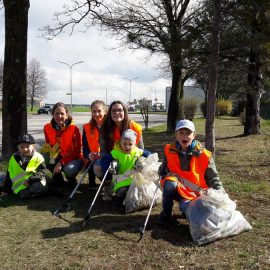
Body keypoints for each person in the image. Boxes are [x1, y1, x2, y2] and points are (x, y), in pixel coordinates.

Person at [158, 119, 224, 224]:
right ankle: (166, 212)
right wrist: (165, 171)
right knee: (169, 182)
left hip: (195, 192)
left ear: (194, 135)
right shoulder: (168, 149)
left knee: (187, 207)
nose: (185, 136)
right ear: (176, 135)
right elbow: (162, 168)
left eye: (188, 133)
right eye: (181, 133)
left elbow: (213, 178)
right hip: (177, 188)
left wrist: (222, 195)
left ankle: (187, 210)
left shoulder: (205, 155)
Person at [99, 129, 150, 211]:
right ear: (120, 143)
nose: (127, 146)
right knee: (121, 190)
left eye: (130, 144)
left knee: (140, 189)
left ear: (134, 144)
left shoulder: (137, 152)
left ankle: (136, 202)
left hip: (134, 177)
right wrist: (110, 166)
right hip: (121, 178)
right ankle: (118, 204)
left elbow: (149, 155)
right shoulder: (116, 153)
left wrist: (143, 160)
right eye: (124, 144)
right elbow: (105, 160)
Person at [3, 134, 59, 199]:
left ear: (33, 147)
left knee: (38, 186)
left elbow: (43, 173)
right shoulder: (13, 159)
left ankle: (50, 190)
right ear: (18, 147)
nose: (25, 149)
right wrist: (5, 190)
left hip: (34, 182)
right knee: (24, 195)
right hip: (19, 186)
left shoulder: (38, 157)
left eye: (28, 146)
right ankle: (45, 191)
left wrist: (30, 180)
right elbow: (9, 174)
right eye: (22, 147)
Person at [42, 102, 83, 187]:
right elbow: (50, 145)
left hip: (73, 157)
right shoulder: (47, 128)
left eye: (62, 113)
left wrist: (61, 162)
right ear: (52, 114)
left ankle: (71, 179)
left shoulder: (74, 129)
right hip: (57, 155)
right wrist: (52, 159)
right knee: (44, 155)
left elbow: (77, 152)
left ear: (67, 115)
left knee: (69, 169)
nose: (59, 116)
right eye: (57, 113)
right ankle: (57, 178)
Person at [82, 100, 107, 188]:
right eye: (94, 111)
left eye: (99, 111)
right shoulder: (87, 127)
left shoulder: (111, 126)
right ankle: (94, 182)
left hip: (108, 156)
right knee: (91, 162)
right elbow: (85, 148)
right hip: (94, 158)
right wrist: (89, 155)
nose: (96, 114)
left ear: (105, 111)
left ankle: (107, 182)